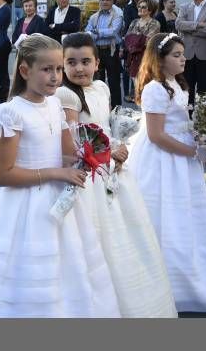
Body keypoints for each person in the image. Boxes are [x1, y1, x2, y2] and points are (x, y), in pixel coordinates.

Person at [0, 34, 120, 318]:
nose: (55, 76)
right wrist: (57, 172)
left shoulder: (54, 104)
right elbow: (3, 175)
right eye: (47, 69)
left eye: (59, 69)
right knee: (24, 274)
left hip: (58, 198)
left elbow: (66, 152)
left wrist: (92, 154)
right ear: (25, 71)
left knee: (66, 269)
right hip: (21, 205)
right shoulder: (12, 112)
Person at [56, 32, 176, 317]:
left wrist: (118, 145)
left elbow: (105, 125)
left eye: (86, 61)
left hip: (111, 165)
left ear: (97, 63)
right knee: (97, 237)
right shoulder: (66, 94)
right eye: (71, 62)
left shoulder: (100, 87)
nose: (79, 68)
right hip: (88, 172)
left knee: (125, 230)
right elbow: (75, 142)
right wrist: (108, 153)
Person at [128, 33, 206, 312]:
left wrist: (204, 137)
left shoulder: (176, 83)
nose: (183, 59)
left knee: (188, 218)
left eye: (183, 54)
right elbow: (156, 135)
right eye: (177, 55)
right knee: (166, 218)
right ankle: (169, 287)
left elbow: (181, 121)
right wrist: (194, 151)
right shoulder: (155, 89)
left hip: (181, 155)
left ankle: (201, 280)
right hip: (163, 160)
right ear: (160, 59)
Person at [86, 0, 124, 107]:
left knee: (114, 83)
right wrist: (100, 33)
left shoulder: (117, 16)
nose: (104, 2)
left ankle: (116, 110)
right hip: (97, 51)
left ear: (113, 2)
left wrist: (96, 32)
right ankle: (101, 108)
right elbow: (87, 32)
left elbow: (113, 31)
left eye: (108, 0)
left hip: (111, 51)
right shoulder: (94, 17)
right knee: (98, 82)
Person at [123, 0, 160, 102]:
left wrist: (135, 39)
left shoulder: (154, 23)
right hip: (133, 58)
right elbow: (127, 38)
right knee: (137, 87)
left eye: (144, 7)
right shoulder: (134, 22)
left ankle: (148, 113)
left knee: (147, 87)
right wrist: (137, 39)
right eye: (139, 6)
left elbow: (147, 41)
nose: (140, 9)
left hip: (147, 57)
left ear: (150, 10)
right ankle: (141, 113)